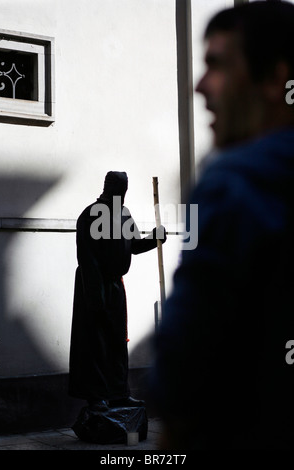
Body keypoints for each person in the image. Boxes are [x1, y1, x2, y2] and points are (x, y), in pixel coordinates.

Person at [150, 1, 294, 449]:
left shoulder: (236, 182)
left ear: (274, 80)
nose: (199, 86)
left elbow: (183, 363)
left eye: (218, 66)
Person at [69, 171, 166, 412]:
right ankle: (97, 395)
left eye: (124, 188)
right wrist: (95, 294)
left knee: (117, 340)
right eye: (117, 187)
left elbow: (133, 246)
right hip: (94, 285)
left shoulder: (124, 215)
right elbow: (87, 258)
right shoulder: (90, 215)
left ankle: (118, 393)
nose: (121, 192)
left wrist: (155, 239)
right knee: (96, 342)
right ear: (107, 187)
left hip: (115, 285)